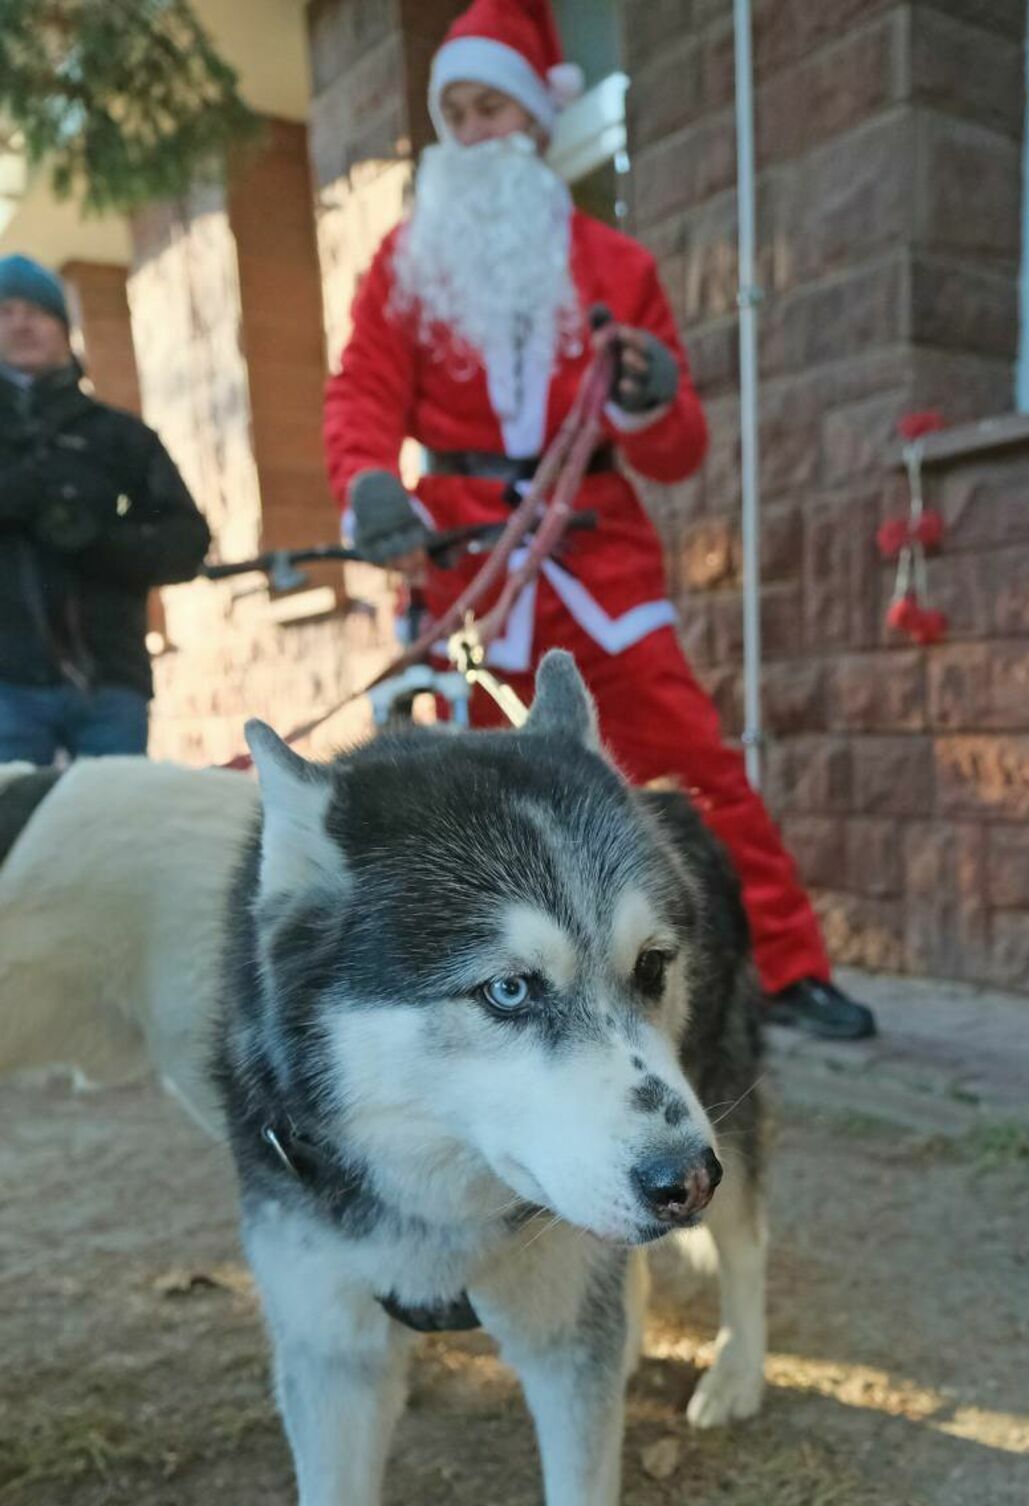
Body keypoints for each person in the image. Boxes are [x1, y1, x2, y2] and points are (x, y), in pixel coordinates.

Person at [323, 0, 876, 1041]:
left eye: (493, 106)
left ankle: (788, 965)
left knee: (697, 766)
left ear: (535, 120)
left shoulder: (618, 267)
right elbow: (359, 393)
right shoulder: (406, 264)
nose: (473, 129)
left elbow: (677, 451)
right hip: (471, 574)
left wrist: (650, 392)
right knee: (486, 789)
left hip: (598, 565)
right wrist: (367, 482)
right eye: (457, 111)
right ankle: (507, 980)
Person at [0, 255, 210, 764]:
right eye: (5, 312)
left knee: (113, 834)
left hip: (110, 684)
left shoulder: (120, 438)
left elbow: (187, 542)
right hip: (7, 689)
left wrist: (99, 542)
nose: (22, 323)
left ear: (64, 329)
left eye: (38, 312)